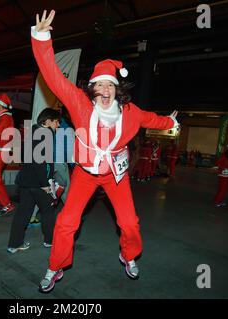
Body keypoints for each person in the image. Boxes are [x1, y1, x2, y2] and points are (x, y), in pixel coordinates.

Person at [31, 10, 179, 293]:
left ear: (117, 89)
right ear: (92, 88)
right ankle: (56, 266)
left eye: (109, 84)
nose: (104, 89)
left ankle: (129, 255)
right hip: (85, 175)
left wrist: (170, 121)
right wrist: (41, 38)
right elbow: (52, 76)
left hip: (115, 175)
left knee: (130, 223)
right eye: (99, 84)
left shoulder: (131, 114)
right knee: (66, 222)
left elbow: (152, 119)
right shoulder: (80, 105)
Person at [7, 108, 61, 253]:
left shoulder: (33, 132)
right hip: (38, 183)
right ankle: (50, 241)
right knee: (48, 212)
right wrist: (45, 184)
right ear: (48, 121)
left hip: (26, 181)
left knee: (22, 213)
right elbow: (40, 162)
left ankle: (14, 244)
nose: (58, 125)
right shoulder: (46, 134)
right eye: (56, 121)